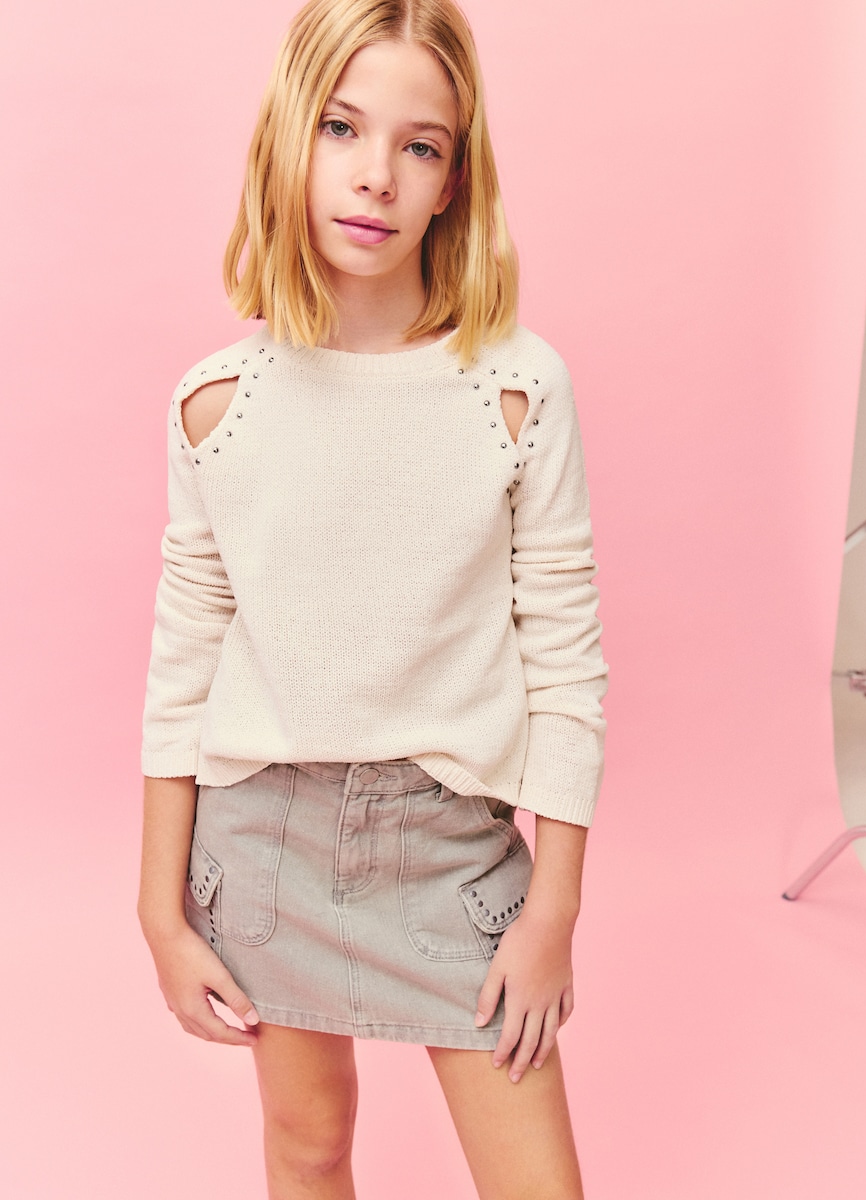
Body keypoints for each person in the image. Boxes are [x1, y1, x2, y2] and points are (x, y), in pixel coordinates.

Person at [137, 1, 607, 1195]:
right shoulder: (216, 403)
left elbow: (565, 658)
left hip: (452, 849)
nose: (376, 176)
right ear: (289, 140)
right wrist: (158, 910)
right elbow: (183, 660)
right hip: (264, 844)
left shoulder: (516, 390)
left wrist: (552, 910)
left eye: (420, 144)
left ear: (453, 181)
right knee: (306, 1143)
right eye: (341, 128)